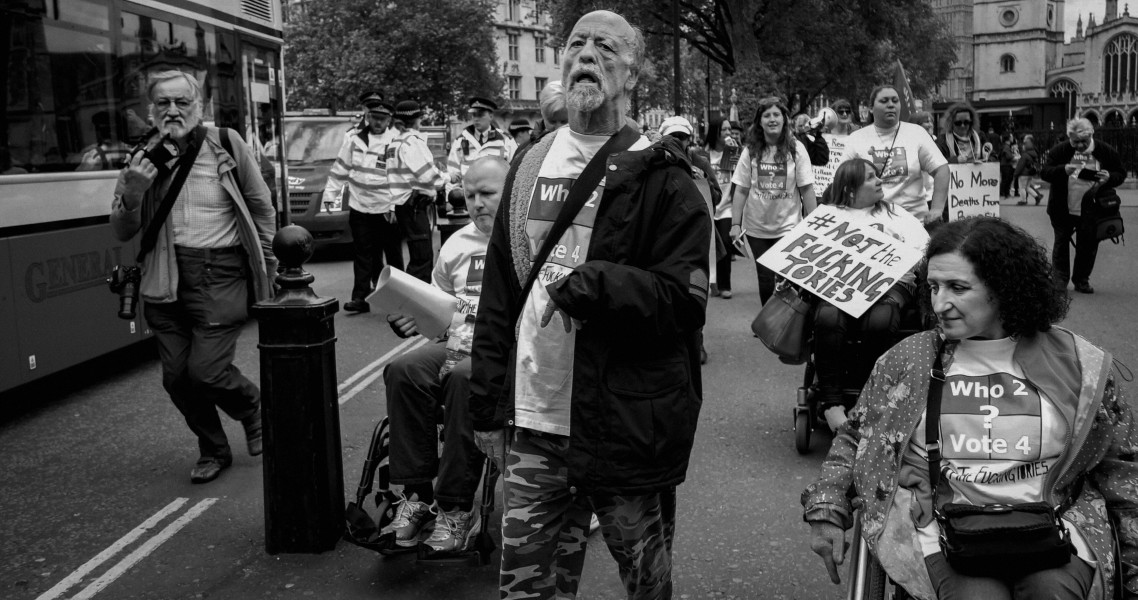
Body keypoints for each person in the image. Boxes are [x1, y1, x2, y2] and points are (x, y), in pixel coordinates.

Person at [469, 10, 710, 599]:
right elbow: (502, 289)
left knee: (646, 586)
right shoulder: (528, 162)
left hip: (620, 425)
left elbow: (684, 301)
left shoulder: (666, 174)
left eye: (606, 47)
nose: (586, 55)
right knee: (526, 589)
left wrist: (595, 283)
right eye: (576, 43)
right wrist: (485, 408)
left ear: (633, 73)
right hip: (534, 419)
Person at [803, 216, 1137, 600]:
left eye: (958, 288)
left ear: (1004, 288)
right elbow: (857, 437)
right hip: (939, 524)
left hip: (1055, 519)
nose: (939, 303)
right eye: (933, 287)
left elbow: (1123, 465)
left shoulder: (1081, 365)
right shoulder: (908, 360)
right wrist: (826, 509)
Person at [109, 71, 277, 484]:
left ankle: (251, 407)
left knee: (207, 370)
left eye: (182, 102)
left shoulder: (225, 141)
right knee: (177, 378)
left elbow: (260, 205)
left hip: (219, 274)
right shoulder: (141, 158)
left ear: (199, 106)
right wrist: (133, 193)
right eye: (163, 103)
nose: (172, 111)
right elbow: (121, 229)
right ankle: (213, 449)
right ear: (151, 111)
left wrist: (274, 265)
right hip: (163, 279)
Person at [382, 156, 508, 556]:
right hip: (456, 342)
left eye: (487, 193)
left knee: (463, 377)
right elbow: (440, 313)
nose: (476, 203)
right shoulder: (457, 243)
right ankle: (416, 496)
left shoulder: (527, 240)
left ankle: (455, 507)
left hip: (505, 353)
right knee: (403, 368)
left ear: (511, 192)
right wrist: (414, 318)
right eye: (469, 195)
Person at [814, 159, 929, 431]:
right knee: (828, 316)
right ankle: (832, 403)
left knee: (881, 318)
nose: (879, 180)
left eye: (877, 175)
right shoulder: (828, 215)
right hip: (842, 282)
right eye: (870, 177)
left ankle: (867, 399)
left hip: (892, 284)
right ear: (850, 188)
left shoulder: (896, 214)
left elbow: (924, 249)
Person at [728, 96, 818, 305]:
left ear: (785, 119)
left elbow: (806, 189)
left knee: (789, 279)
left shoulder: (796, 149)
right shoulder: (750, 151)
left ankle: (788, 326)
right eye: (766, 115)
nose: (772, 119)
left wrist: (813, 224)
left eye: (776, 114)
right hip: (757, 228)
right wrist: (735, 223)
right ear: (759, 122)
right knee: (766, 279)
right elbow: (741, 190)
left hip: (789, 227)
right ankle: (768, 326)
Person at [322, 91, 399, 314]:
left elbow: (399, 176)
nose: (377, 122)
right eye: (374, 117)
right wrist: (331, 194)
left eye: (382, 119)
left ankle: (397, 298)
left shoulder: (395, 141)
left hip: (386, 207)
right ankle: (360, 298)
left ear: (389, 120)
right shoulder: (354, 139)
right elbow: (341, 168)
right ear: (368, 117)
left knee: (391, 255)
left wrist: (395, 205)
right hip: (360, 206)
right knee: (363, 253)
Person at [1040, 117, 1126, 294]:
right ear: (1070, 138)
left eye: (1083, 142)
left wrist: (1109, 178)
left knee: (1088, 245)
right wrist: (1063, 170)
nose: (1078, 146)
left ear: (1092, 136)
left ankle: (1081, 280)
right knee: (1061, 243)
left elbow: (1121, 174)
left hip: (1092, 208)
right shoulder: (1061, 150)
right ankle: (1060, 279)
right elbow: (1045, 172)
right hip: (1062, 207)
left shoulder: (1105, 151)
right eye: (1075, 142)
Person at [841, 85, 949, 224]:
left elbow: (942, 169)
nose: (891, 105)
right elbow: (842, 179)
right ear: (871, 108)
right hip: (871, 223)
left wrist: (936, 209)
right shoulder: (855, 139)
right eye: (884, 101)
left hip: (914, 221)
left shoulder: (916, 133)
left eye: (895, 100)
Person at [662, 115, 720, 365]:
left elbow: (715, 196)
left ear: (689, 139)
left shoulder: (701, 163)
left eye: (682, 137)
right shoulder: (654, 162)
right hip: (665, 238)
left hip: (696, 240)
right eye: (673, 137)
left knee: (697, 288)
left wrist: (703, 182)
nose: (678, 142)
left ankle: (698, 339)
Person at [441, 97, 516, 246]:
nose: (476, 119)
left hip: (496, 204)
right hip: (466, 203)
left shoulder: (505, 140)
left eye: (480, 114)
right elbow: (453, 172)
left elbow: (515, 173)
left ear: (491, 116)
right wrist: (450, 200)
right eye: (473, 115)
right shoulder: (461, 140)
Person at [386, 100, 443, 282]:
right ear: (417, 119)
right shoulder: (412, 142)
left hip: (404, 206)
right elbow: (427, 176)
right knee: (422, 258)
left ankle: (411, 304)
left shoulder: (395, 143)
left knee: (418, 254)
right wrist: (448, 179)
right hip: (414, 206)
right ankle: (413, 305)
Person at [704, 116, 737, 299]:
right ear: (715, 131)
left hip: (726, 207)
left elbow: (739, 175)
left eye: (729, 129)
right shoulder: (703, 154)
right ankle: (711, 282)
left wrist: (734, 150)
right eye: (724, 129)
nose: (727, 133)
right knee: (709, 246)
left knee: (725, 242)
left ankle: (725, 285)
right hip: (709, 207)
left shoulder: (731, 151)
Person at [1014, 133, 1043, 206]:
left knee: (1022, 188)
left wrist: (1016, 174)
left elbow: (1020, 166)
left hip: (1023, 174)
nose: (1022, 146)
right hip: (1030, 173)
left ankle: (1023, 200)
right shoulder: (1033, 153)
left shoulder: (1024, 155)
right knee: (1027, 187)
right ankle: (1037, 197)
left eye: (1024, 145)